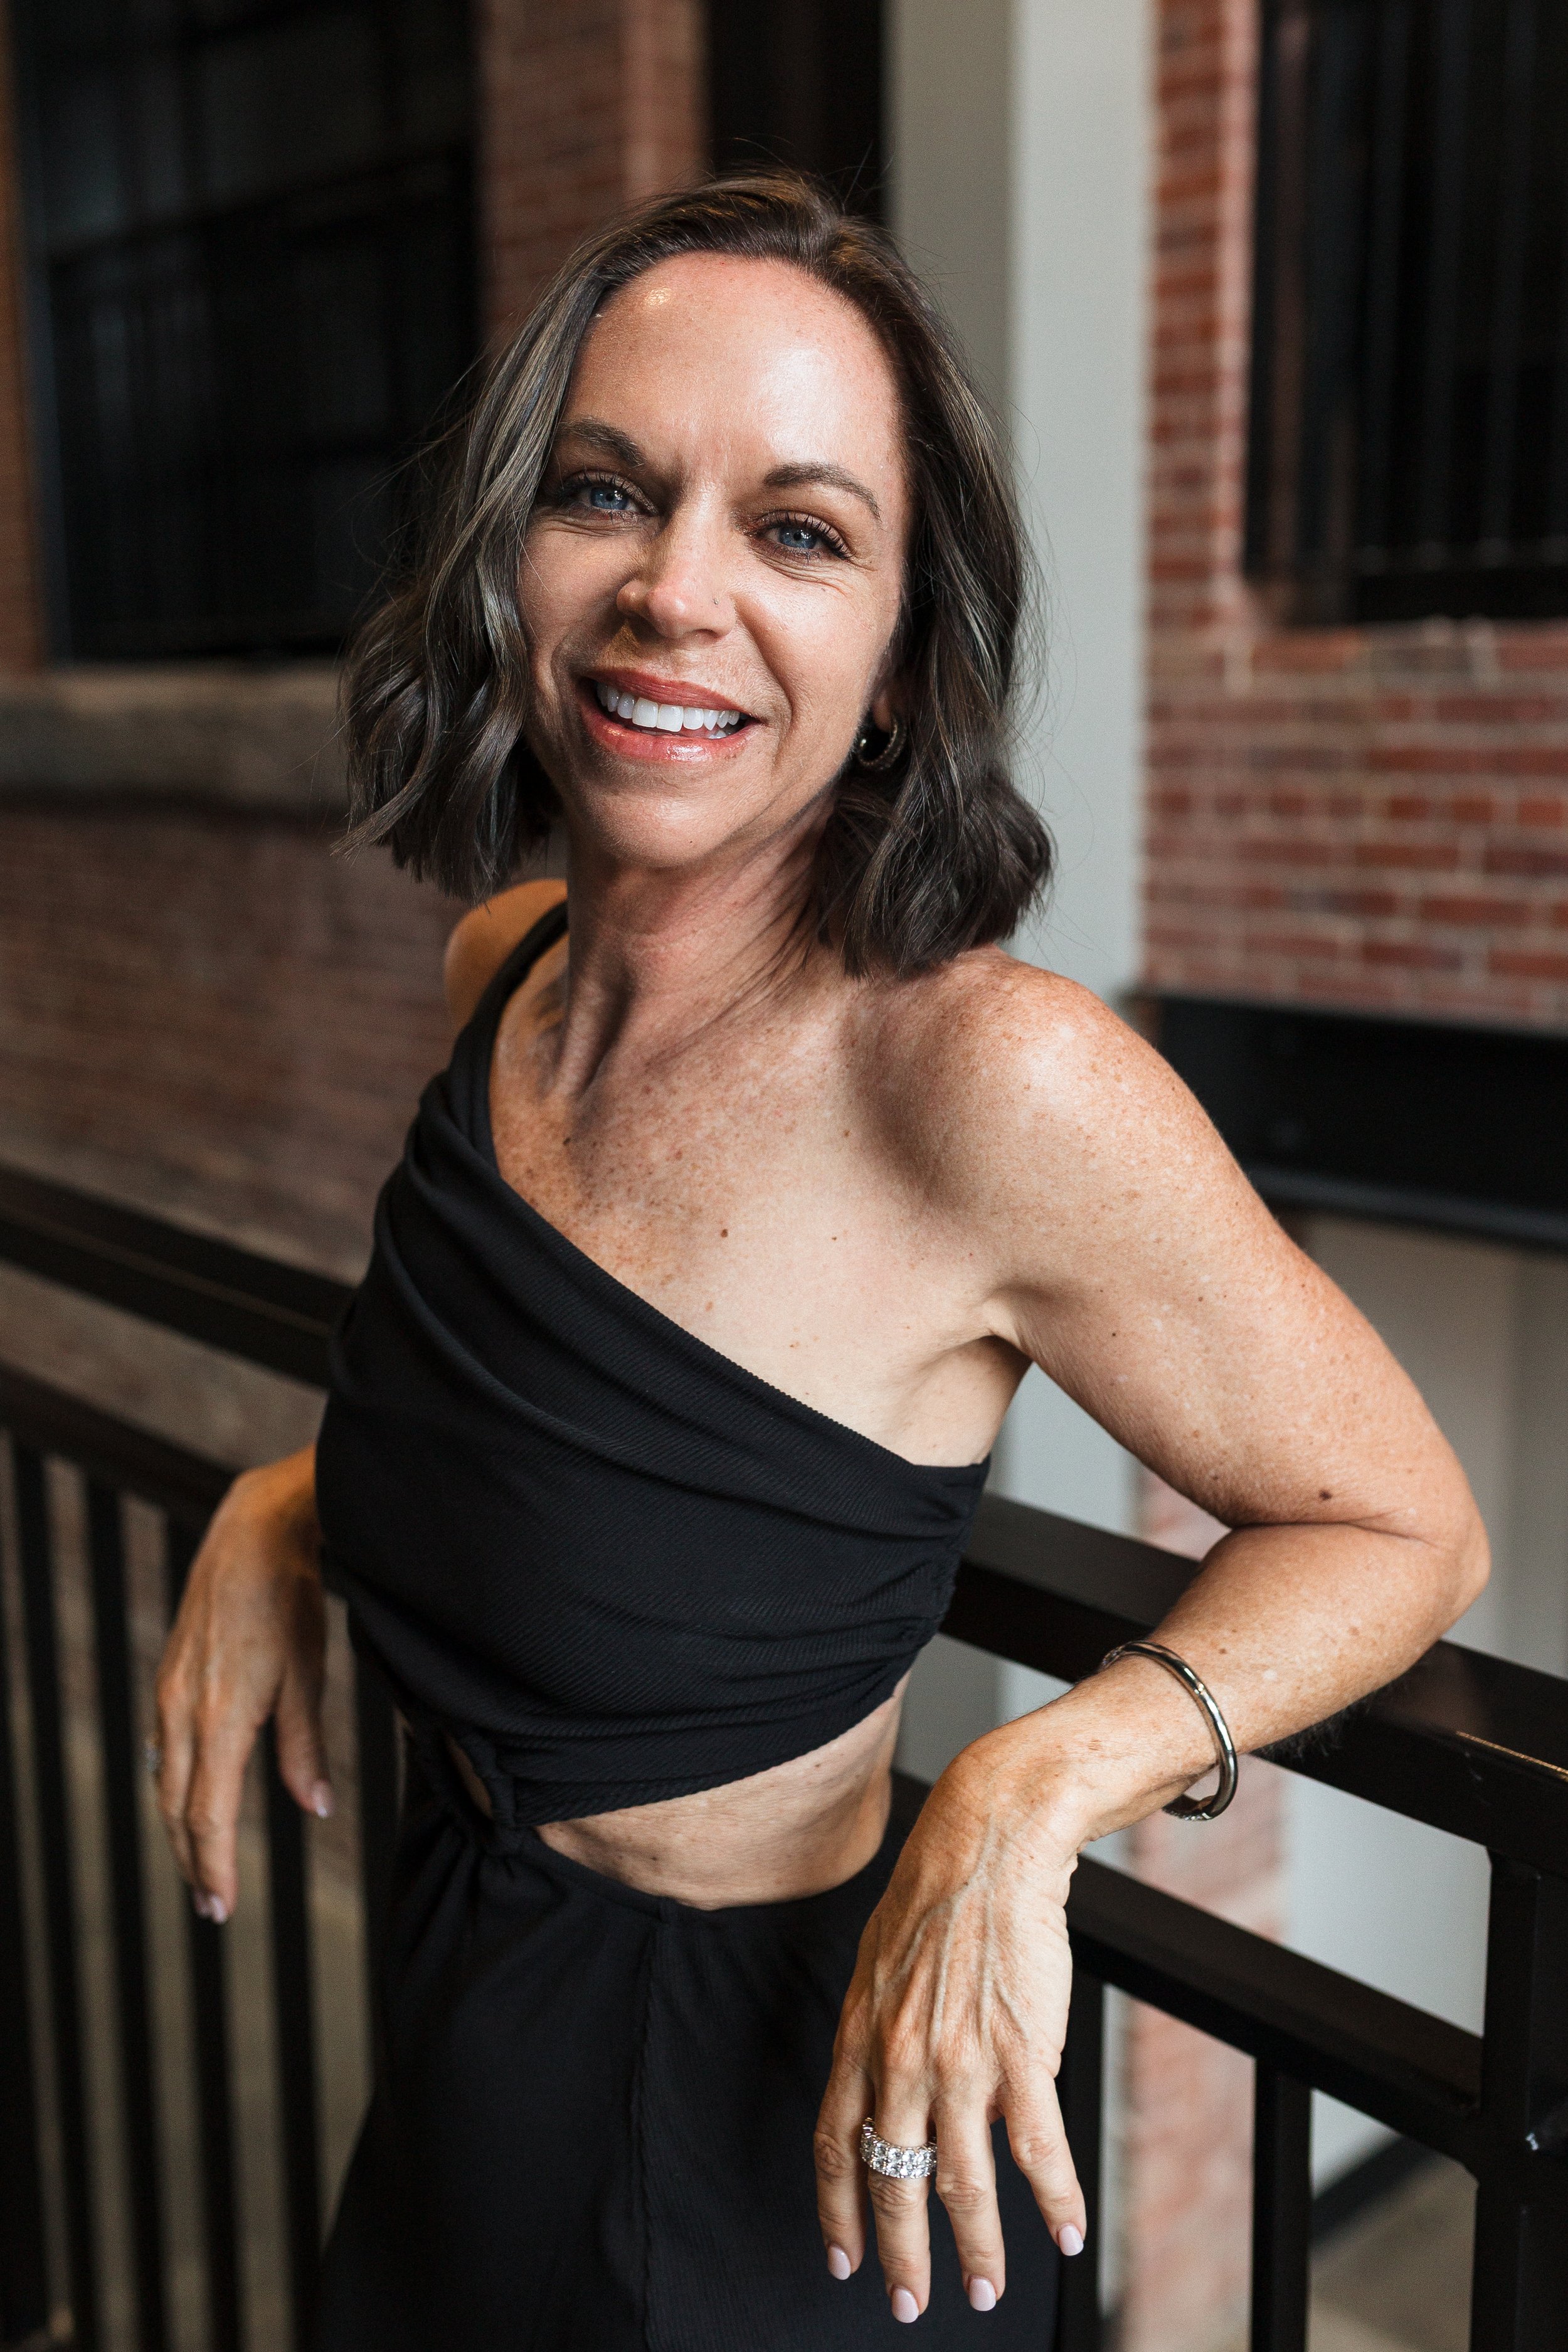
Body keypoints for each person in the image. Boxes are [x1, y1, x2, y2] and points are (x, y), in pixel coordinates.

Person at [152, 176, 1486, 2348]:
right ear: (513, 549)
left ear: (894, 657)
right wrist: (303, 1497)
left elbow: (1405, 1526)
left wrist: (1035, 1781)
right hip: (471, 2011)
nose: (673, 591)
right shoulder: (514, 970)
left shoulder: (985, 1081)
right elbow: (546, 1429)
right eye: (607, 491)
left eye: (796, 530)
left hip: (776, 2154)